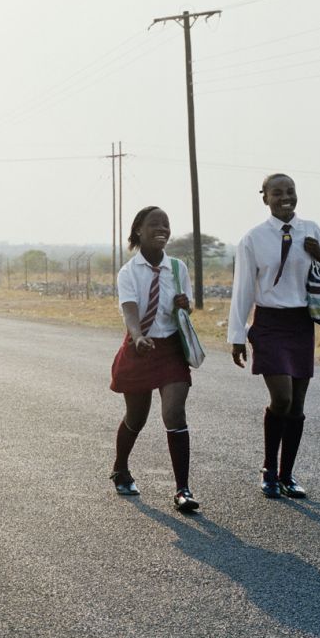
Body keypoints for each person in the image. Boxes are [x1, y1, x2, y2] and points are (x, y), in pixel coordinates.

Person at [228, 173, 320, 499]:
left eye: (290, 191)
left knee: (297, 404)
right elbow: (242, 289)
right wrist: (237, 335)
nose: (285, 197)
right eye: (277, 193)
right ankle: (268, 469)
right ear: (265, 197)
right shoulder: (253, 239)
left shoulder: (312, 230)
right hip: (269, 324)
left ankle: (287, 475)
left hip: (301, 324)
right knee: (283, 399)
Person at [109, 206, 199, 512]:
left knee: (174, 414)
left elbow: (186, 308)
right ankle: (121, 468)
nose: (162, 229)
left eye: (166, 224)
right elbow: (129, 310)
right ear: (139, 230)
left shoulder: (177, 268)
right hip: (140, 347)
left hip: (171, 348)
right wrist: (137, 337)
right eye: (154, 224)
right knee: (136, 417)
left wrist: (185, 305)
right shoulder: (128, 272)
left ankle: (182, 489)